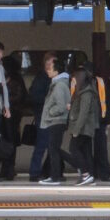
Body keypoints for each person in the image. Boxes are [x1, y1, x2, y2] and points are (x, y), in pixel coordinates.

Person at [38, 56, 71, 185]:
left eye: (50, 68)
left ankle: (56, 176)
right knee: (54, 149)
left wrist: (49, 113)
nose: (47, 70)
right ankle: (55, 175)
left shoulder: (59, 86)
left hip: (56, 120)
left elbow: (61, 106)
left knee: (53, 150)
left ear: (57, 71)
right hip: (57, 121)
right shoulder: (59, 84)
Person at [65, 68, 98, 186]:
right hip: (84, 128)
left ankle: (85, 174)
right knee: (86, 152)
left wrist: (76, 131)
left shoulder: (86, 93)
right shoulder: (82, 92)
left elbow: (83, 113)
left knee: (73, 148)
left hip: (83, 129)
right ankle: (89, 176)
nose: (72, 81)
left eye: (74, 78)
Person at [82, 61, 110, 181]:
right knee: (99, 148)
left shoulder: (98, 82)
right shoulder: (99, 82)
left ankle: (96, 172)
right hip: (96, 120)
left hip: (95, 120)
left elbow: (108, 100)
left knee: (94, 148)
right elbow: (108, 100)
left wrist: (108, 119)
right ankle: (99, 173)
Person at [27, 54, 54, 181]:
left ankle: (46, 170)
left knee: (49, 144)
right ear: (45, 64)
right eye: (50, 63)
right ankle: (35, 172)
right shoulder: (41, 79)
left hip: (48, 115)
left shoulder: (50, 78)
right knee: (42, 144)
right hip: (43, 115)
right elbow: (35, 97)